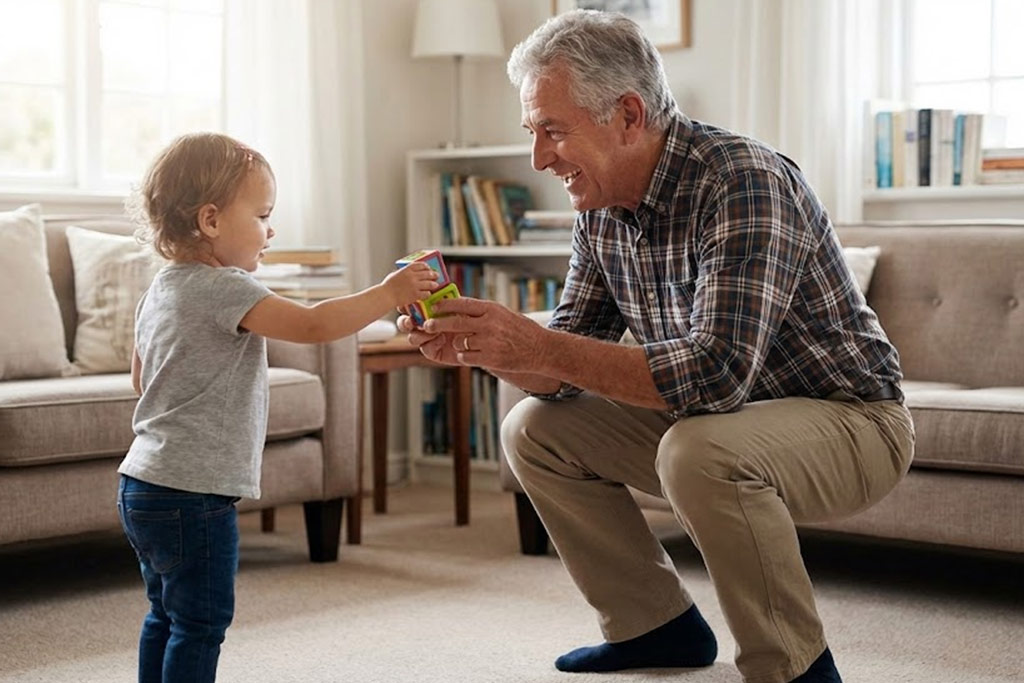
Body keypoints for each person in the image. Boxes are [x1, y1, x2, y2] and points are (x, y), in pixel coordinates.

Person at [399, 10, 914, 683]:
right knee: (533, 428)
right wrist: (486, 346)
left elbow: (717, 375)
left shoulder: (742, 180)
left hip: (853, 422)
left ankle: (794, 668)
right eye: (533, 133)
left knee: (697, 450)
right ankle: (654, 626)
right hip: (718, 421)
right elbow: (566, 369)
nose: (539, 158)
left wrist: (539, 346)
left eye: (554, 130)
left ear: (629, 115)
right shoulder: (600, 210)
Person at [117, 132, 437, 683]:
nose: (272, 230)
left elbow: (139, 379)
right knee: (201, 624)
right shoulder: (225, 287)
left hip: (142, 485)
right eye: (263, 216)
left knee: (165, 615)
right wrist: (388, 293)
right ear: (210, 220)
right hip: (194, 495)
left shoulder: (160, 289)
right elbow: (313, 325)